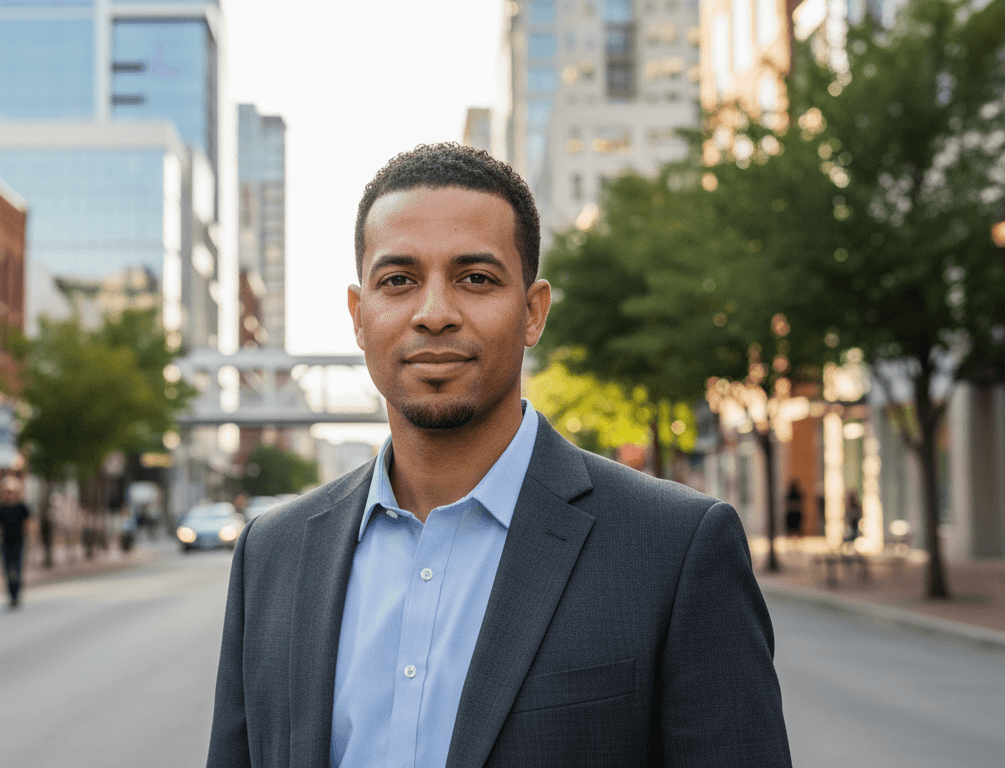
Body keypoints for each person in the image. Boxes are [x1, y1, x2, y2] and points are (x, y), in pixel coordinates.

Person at [207, 144, 790, 767]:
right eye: (398, 280)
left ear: (533, 312)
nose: (434, 314)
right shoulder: (271, 554)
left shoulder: (676, 549)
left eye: (475, 279)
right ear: (359, 314)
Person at [0, 477, 32, 610]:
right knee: (7, 570)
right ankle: (10, 595)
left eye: (11, 491)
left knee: (17, 569)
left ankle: (16, 595)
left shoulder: (22, 507)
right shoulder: (1, 508)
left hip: (19, 543)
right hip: (5, 543)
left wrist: (32, 540)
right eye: (6, 492)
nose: (8, 494)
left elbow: (28, 525)